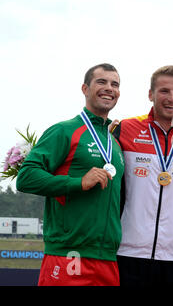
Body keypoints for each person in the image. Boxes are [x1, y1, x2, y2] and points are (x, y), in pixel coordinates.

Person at [16, 63, 124, 286]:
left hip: (107, 259)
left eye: (115, 84)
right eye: (101, 82)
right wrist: (78, 182)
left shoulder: (114, 143)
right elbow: (26, 177)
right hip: (68, 254)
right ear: (85, 89)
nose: (109, 88)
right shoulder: (64, 131)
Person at [112, 65, 173, 286]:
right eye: (164, 91)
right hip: (127, 252)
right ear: (150, 94)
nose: (172, 98)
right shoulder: (126, 128)